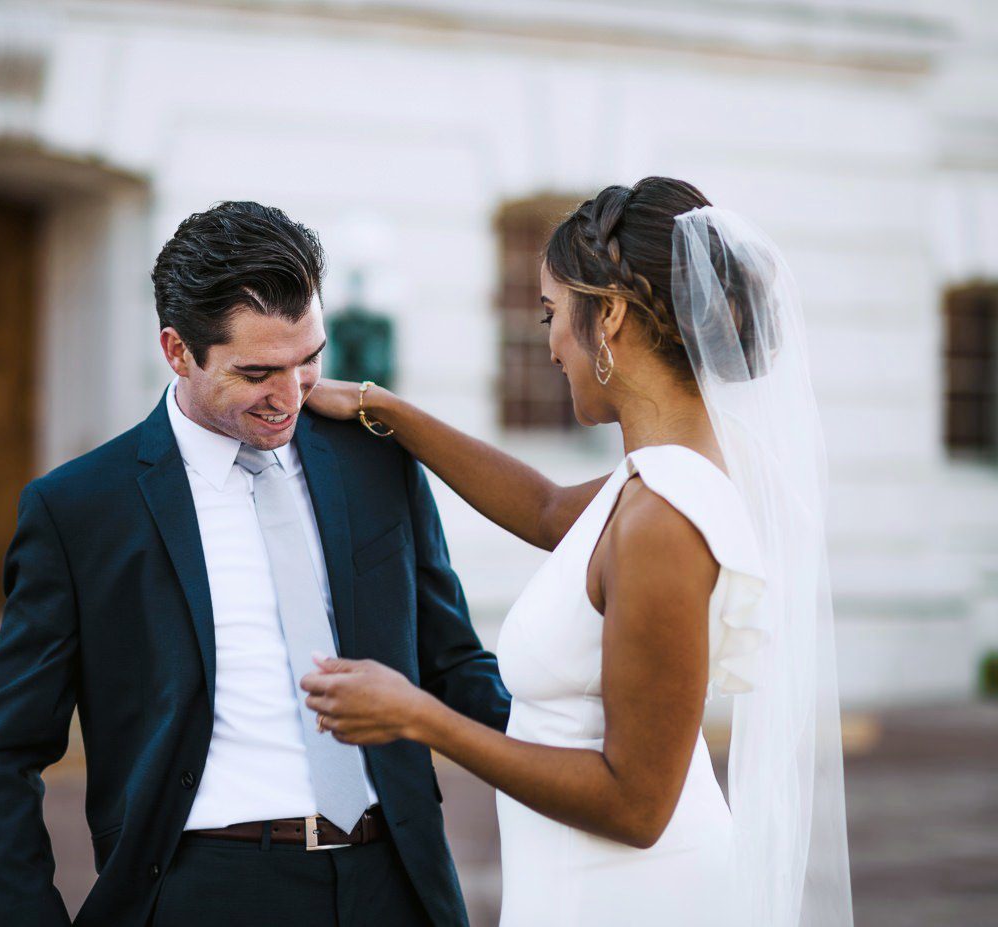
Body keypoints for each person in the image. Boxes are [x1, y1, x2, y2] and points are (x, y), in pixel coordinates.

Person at [302, 177, 854, 925]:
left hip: (633, 896)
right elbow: (545, 508)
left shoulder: (663, 517)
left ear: (611, 315)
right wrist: (383, 406)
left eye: (551, 313)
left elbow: (637, 806)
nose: (552, 343)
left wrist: (420, 716)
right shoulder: (664, 477)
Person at [0, 201, 510, 927]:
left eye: (308, 360)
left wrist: (587, 756)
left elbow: (455, 663)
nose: (290, 395)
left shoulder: (375, 459)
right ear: (177, 350)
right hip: (207, 889)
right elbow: (0, 755)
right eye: (257, 372)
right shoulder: (80, 509)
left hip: (396, 882)